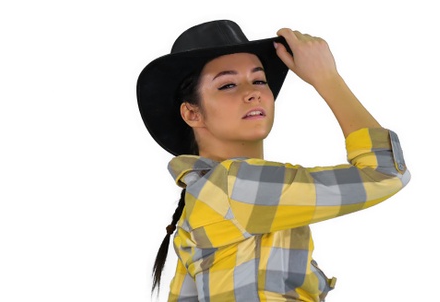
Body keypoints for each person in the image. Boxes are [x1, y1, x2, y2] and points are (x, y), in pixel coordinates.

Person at [136, 20, 411, 301]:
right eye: (228, 84)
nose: (252, 92)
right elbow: (386, 172)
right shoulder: (236, 184)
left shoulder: (204, 200)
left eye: (259, 80)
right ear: (193, 114)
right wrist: (328, 78)